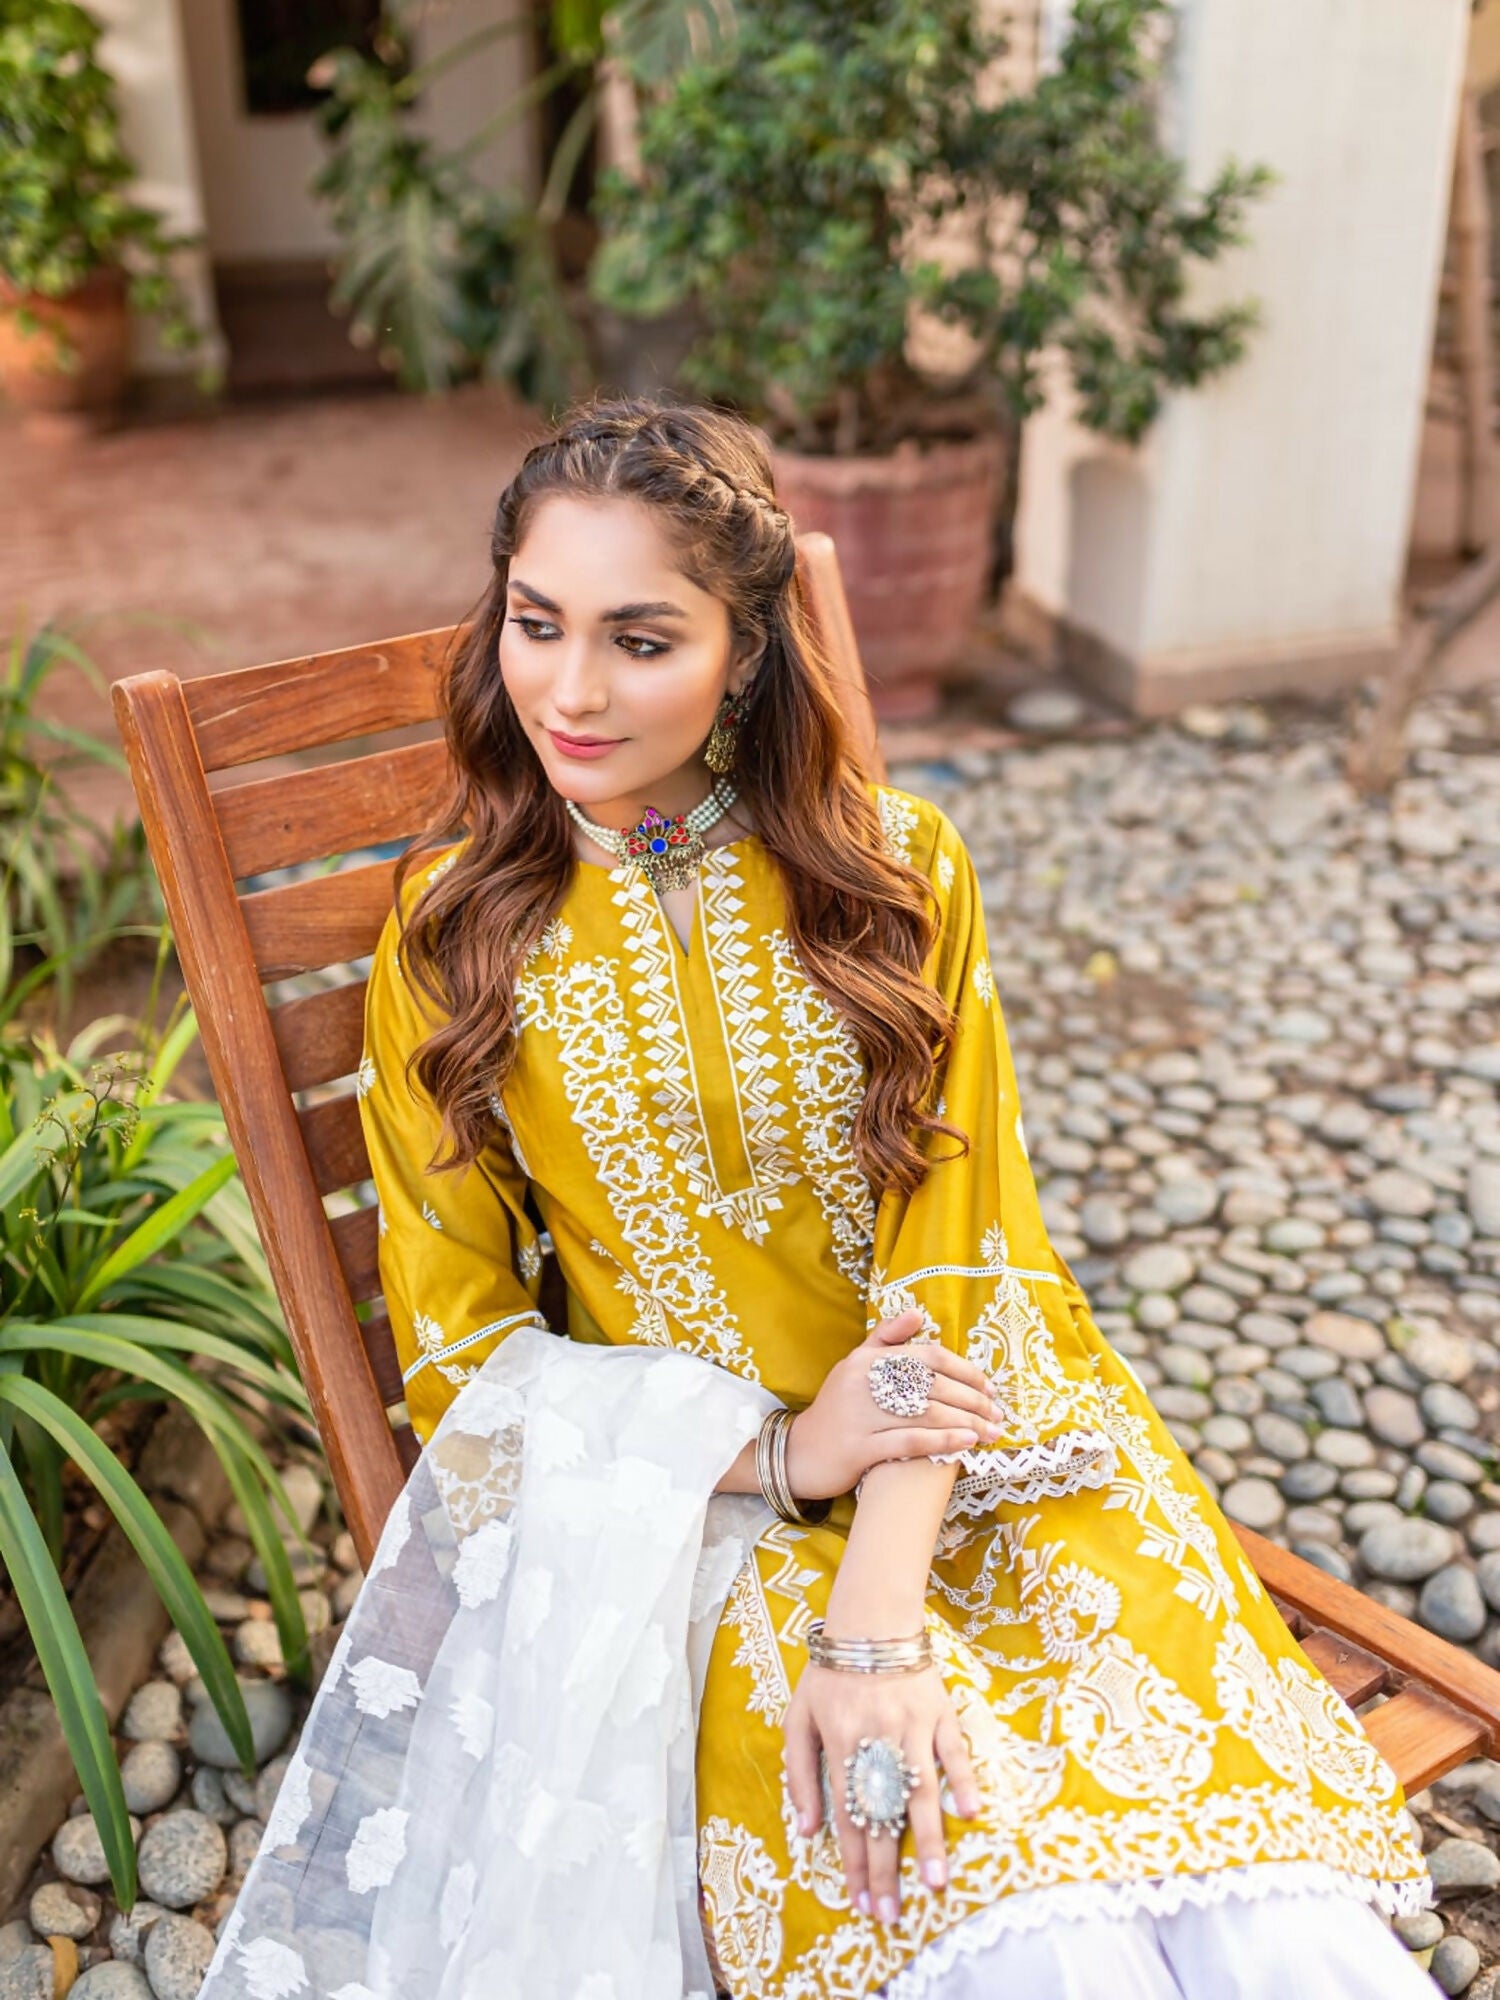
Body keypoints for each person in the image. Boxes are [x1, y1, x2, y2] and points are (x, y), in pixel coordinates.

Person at [201, 399, 1437, 2000]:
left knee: (1262, 1923)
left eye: (642, 639)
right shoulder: (454, 940)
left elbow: (966, 1254)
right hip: (706, 1521)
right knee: (1026, 1933)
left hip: (997, 1449)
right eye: (536, 622)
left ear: (746, 653)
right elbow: (458, 1362)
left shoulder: (896, 872)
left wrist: (878, 1620)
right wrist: (787, 1459)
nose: (571, 691)